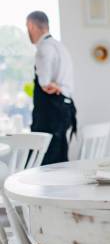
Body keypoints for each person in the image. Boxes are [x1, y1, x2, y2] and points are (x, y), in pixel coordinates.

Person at [26, 11, 77, 165]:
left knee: (43, 163)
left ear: (32, 26)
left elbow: (45, 84)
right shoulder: (60, 47)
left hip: (50, 114)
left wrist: (51, 86)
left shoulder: (44, 49)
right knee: (60, 160)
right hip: (65, 109)